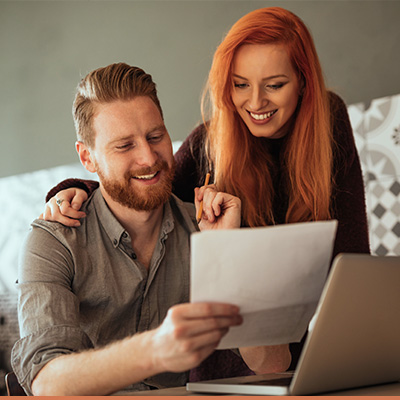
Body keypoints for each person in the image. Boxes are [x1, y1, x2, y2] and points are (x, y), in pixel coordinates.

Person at [39, 7, 370, 382]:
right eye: (240, 84)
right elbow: (145, 187)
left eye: (274, 85)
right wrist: (78, 189)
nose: (256, 102)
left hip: (307, 354)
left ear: (304, 82)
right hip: (226, 369)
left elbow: (351, 256)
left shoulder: (329, 120)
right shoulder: (211, 141)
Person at [12, 63, 291, 396]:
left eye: (155, 136)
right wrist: (154, 349)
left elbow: (273, 363)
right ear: (88, 158)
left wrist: (226, 254)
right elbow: (46, 383)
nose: (149, 157)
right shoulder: (55, 238)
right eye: (125, 146)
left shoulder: (205, 227)